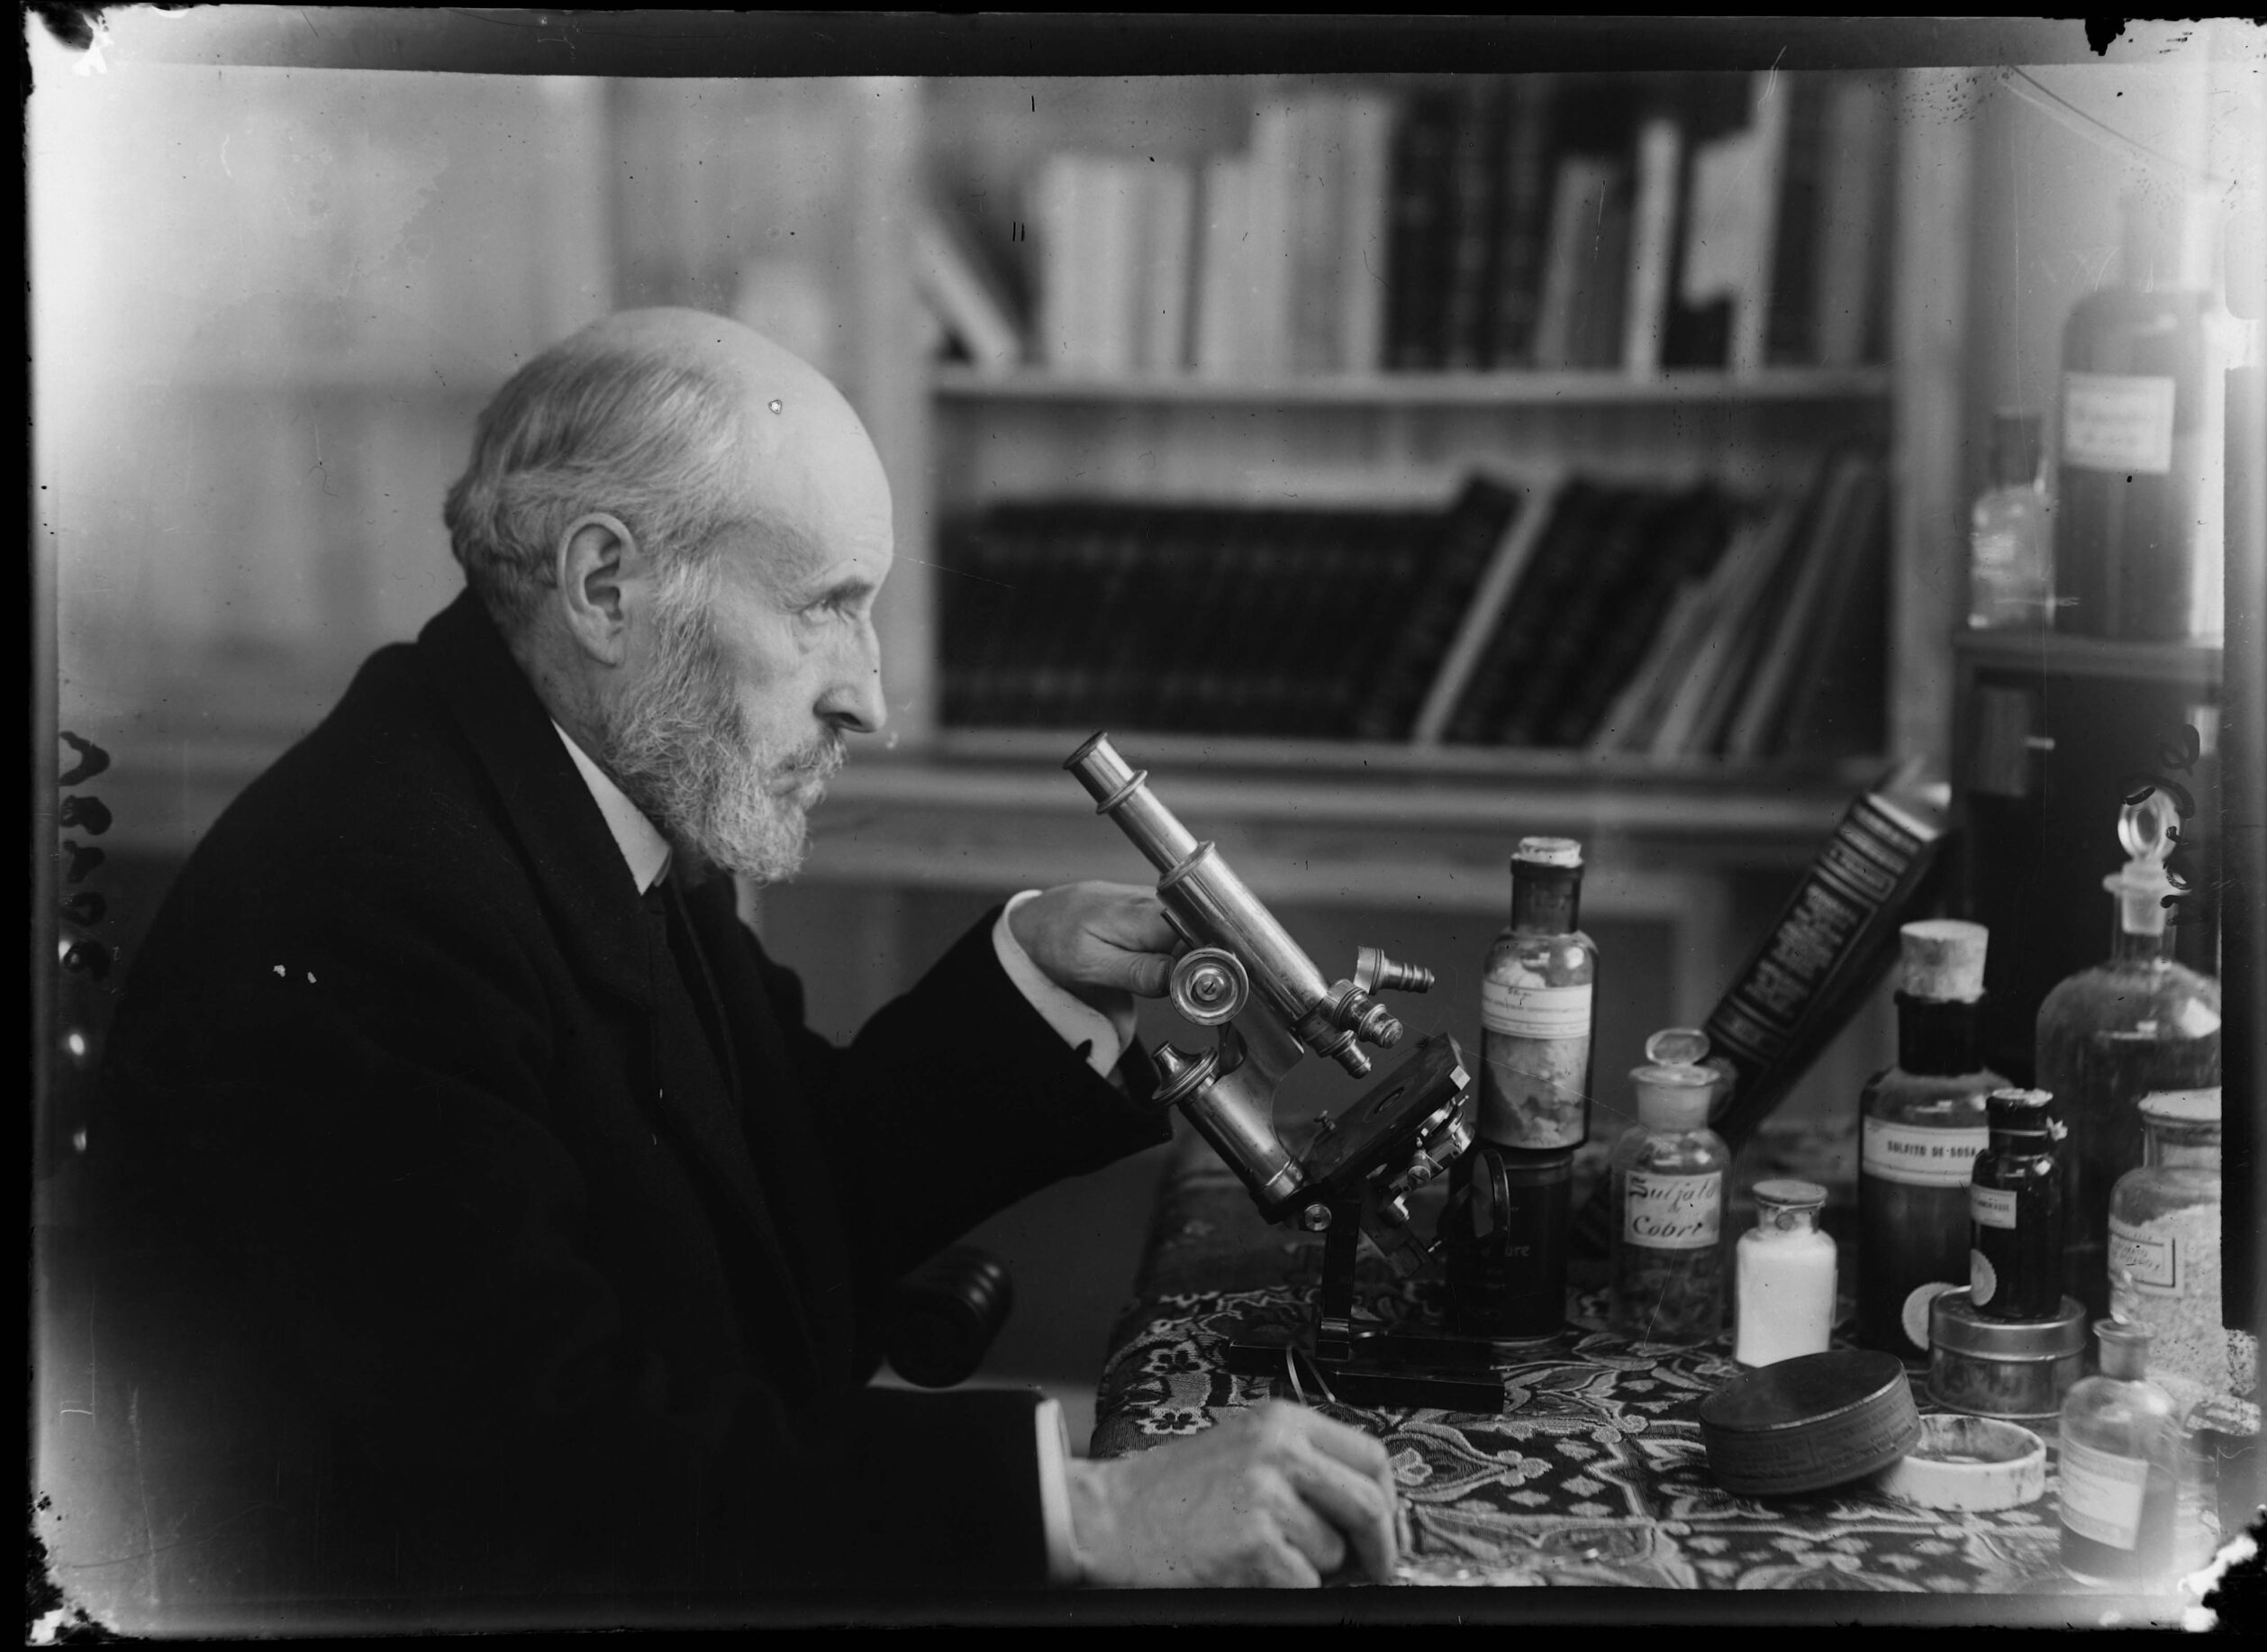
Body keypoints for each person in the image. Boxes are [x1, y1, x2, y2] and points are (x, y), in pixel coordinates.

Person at [71, 309, 1398, 1618]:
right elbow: (535, 1482)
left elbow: (773, 1184)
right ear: (606, 587)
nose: (868, 699)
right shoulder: (366, 912)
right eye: (826, 608)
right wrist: (1092, 1514)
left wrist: (1038, 976)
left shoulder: (589, 780)